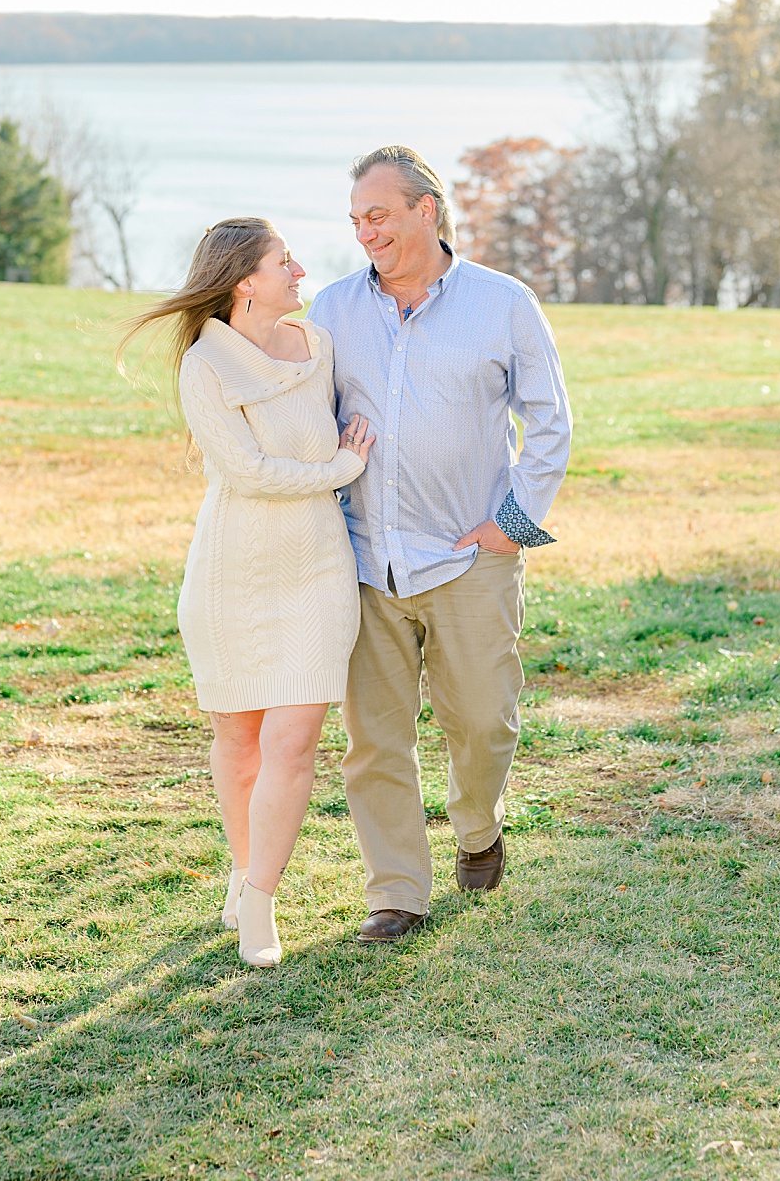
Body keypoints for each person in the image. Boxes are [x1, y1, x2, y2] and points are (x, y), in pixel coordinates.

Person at [310, 145, 571, 945]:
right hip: (364, 561)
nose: (366, 233)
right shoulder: (332, 310)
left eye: (379, 215)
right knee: (375, 739)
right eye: (356, 220)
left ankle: (478, 828)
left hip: (471, 558)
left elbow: (550, 420)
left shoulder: (503, 303)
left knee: (485, 719)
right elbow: (304, 416)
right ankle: (397, 892)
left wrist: (512, 524)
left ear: (427, 208)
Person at [123, 218, 374, 967]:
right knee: (238, 739)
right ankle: (242, 868)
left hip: (318, 571)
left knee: (293, 739)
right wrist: (340, 469)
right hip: (233, 572)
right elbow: (248, 473)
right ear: (245, 283)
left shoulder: (317, 346)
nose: (300, 269)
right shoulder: (204, 367)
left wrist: (341, 466)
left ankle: (261, 895)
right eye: (282, 260)